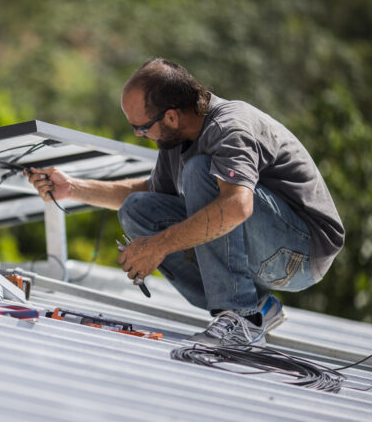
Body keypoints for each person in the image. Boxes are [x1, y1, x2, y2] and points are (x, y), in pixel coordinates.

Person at [25, 58, 344, 346]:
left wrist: (158, 246)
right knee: (138, 210)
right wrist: (74, 188)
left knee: (201, 172)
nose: (138, 134)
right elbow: (154, 194)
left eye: (141, 127)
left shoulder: (228, 128)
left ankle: (242, 317)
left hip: (301, 253)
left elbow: (237, 206)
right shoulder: (174, 140)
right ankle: (258, 308)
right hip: (262, 247)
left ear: (172, 116)